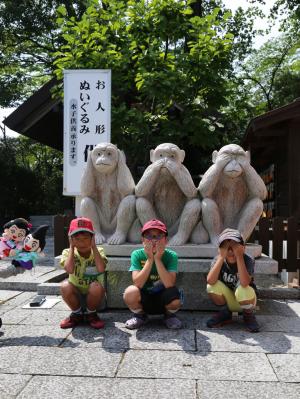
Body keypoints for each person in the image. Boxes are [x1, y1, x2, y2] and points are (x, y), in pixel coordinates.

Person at [123, 219, 182, 329]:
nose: (154, 240)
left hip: (163, 298)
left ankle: (169, 315)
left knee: (175, 297)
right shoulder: (137, 254)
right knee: (130, 292)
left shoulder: (171, 256)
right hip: (144, 297)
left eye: (159, 236)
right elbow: (137, 283)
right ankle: (140, 315)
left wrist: (158, 259)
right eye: (149, 236)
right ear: (142, 240)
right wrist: (150, 259)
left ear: (166, 240)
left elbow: (170, 284)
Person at [206, 228, 260, 333]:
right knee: (211, 287)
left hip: (247, 300)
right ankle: (226, 313)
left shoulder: (247, 259)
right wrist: (221, 257)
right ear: (219, 249)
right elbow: (210, 281)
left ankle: (248, 315)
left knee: (243, 289)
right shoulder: (218, 260)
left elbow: (245, 283)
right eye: (226, 247)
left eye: (235, 247)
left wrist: (239, 256)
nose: (230, 251)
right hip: (230, 300)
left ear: (243, 247)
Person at [59, 217, 107, 329]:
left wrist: (94, 247)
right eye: (77, 238)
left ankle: (92, 314)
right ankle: (77, 314)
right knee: (65, 285)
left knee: (95, 286)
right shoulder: (67, 252)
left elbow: (101, 269)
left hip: (95, 297)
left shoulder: (99, 251)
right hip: (76, 295)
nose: (82, 242)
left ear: (92, 238)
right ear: (71, 238)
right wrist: (71, 247)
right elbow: (69, 269)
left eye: (86, 238)